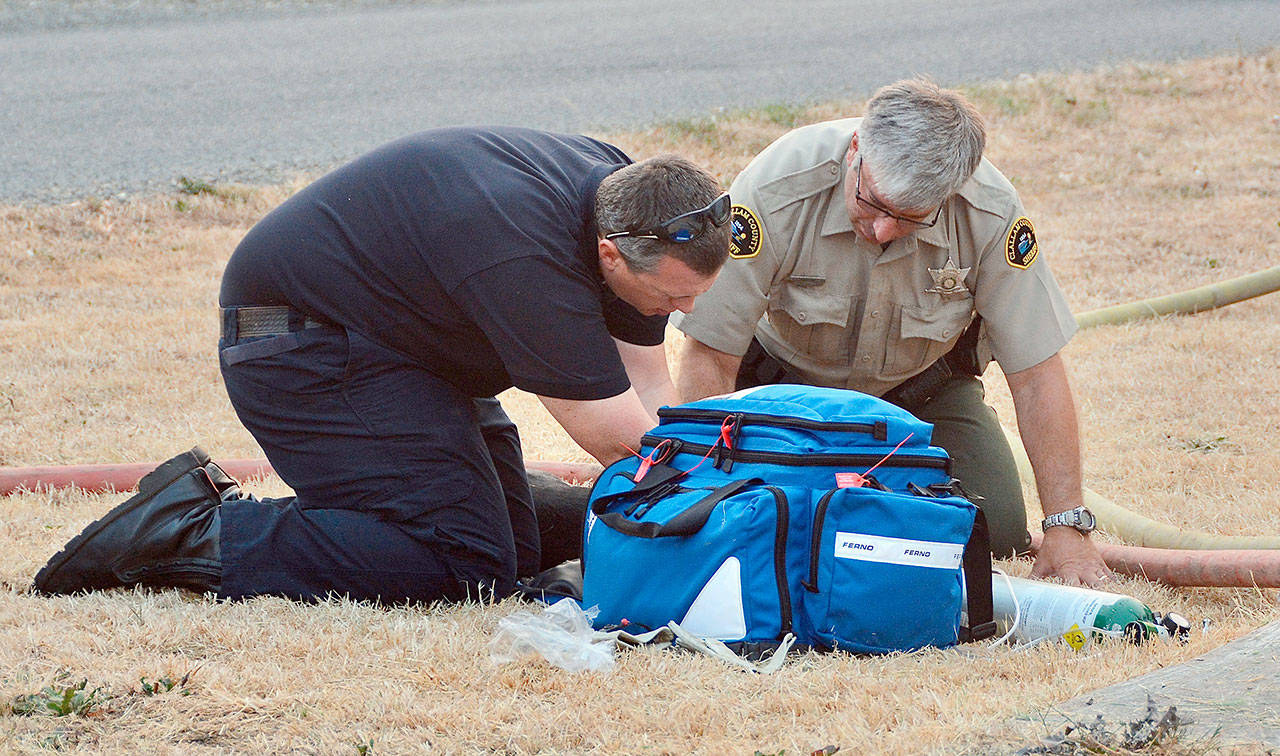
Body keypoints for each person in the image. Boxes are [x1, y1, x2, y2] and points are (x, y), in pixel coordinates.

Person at [34, 126, 731, 604]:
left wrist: (704, 467)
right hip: (302, 346)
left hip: (403, 346)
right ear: (613, 255)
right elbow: (612, 434)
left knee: (510, 549)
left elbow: (650, 386)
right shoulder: (527, 257)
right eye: (675, 295)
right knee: (465, 560)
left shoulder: (634, 201)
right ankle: (190, 530)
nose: (684, 306)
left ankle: (504, 513)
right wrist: (709, 502)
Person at [671, 79, 1111, 587]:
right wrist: (708, 487)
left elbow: (1036, 374)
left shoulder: (989, 212)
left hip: (919, 394)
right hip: (781, 390)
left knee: (999, 530)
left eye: (909, 218)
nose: (882, 230)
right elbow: (710, 353)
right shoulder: (776, 188)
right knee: (768, 519)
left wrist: (1066, 528)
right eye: (873, 202)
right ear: (856, 150)